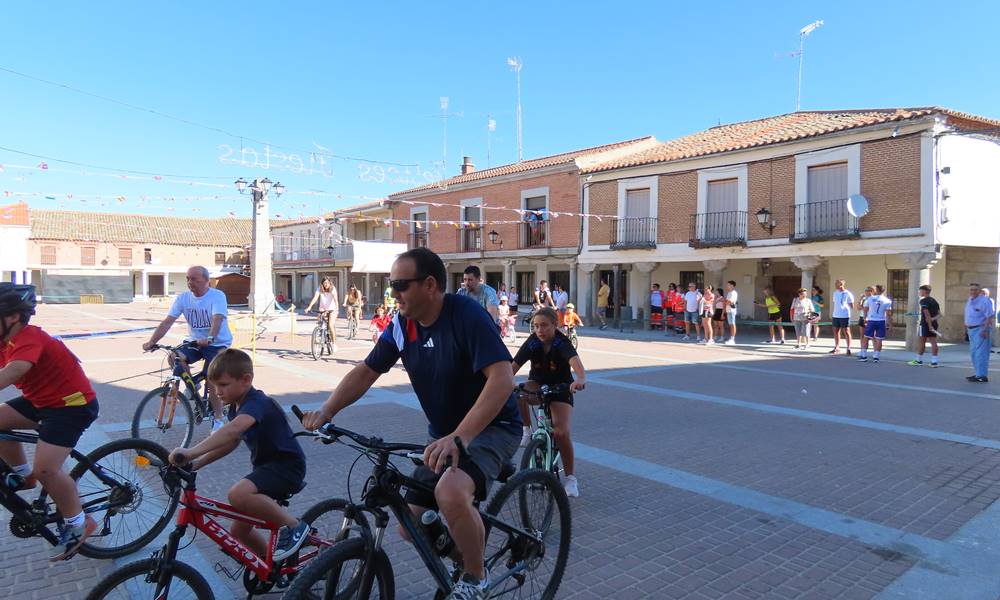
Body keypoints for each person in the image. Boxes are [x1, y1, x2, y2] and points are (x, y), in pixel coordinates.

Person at [301, 248, 520, 598]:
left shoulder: (466, 316)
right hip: (443, 435)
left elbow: (503, 378)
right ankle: (462, 557)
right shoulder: (403, 325)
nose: (393, 293)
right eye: (391, 285)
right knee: (410, 523)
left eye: (400, 285)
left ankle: (476, 579)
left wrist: (460, 438)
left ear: (430, 284)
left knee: (450, 493)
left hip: (492, 427)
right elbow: (367, 371)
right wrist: (328, 411)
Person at [168, 349, 309, 562]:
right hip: (266, 469)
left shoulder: (257, 403)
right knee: (239, 532)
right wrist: (197, 463)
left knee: (238, 495)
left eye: (223, 385)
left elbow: (232, 431)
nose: (217, 391)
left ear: (246, 380)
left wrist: (190, 452)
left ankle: (294, 526)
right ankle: (272, 567)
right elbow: (231, 442)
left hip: (286, 468)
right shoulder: (237, 407)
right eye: (214, 386)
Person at [0, 283, 100, 561]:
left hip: (72, 406)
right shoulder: (4, 339)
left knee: (46, 469)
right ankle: (22, 475)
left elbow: (14, 370)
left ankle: (80, 523)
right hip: (42, 402)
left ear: (12, 318)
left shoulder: (30, 338)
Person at [143, 266, 231, 434]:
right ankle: (193, 386)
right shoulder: (183, 298)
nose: (190, 282)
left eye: (194, 279)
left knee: (212, 379)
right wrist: (152, 341)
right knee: (174, 356)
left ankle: (218, 420)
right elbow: (168, 321)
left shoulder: (217, 296)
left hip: (217, 343)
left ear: (207, 281)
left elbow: (217, 318)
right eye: (188, 279)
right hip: (195, 342)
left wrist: (210, 338)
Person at [513, 307, 586, 498]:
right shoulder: (532, 342)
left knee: (561, 432)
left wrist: (579, 379)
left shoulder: (562, 342)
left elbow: (577, 364)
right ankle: (527, 430)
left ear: (555, 325)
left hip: (561, 388)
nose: (539, 330)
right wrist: (501, 382)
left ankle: (570, 479)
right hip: (537, 384)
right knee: (519, 392)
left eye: (544, 325)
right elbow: (512, 367)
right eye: (536, 326)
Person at [965, 282, 994, 382]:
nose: (972, 291)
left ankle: (982, 376)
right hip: (971, 330)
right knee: (974, 353)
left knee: (981, 353)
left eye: (975, 290)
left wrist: (985, 330)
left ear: (979, 291)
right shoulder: (970, 299)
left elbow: (989, 316)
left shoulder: (984, 301)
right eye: (971, 289)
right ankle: (978, 373)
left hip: (981, 329)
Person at [858, 284, 892, 363]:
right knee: (879, 339)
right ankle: (876, 357)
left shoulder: (870, 299)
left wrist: (865, 318)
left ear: (876, 290)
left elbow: (865, 309)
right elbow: (888, 313)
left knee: (866, 337)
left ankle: (863, 355)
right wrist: (889, 323)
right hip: (881, 321)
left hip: (872, 320)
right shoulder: (887, 300)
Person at [908, 285, 940, 367]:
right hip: (934, 323)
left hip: (925, 325)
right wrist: (932, 320)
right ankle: (934, 362)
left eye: (920, 291)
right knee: (933, 342)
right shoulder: (934, 301)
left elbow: (926, 314)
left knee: (922, 342)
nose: (919, 292)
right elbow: (940, 314)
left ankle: (919, 360)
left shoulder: (923, 301)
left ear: (925, 291)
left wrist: (929, 325)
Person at [304, 277, 339, 352]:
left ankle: (333, 343)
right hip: (322, 308)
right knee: (320, 320)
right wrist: (309, 307)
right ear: (322, 283)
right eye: (324, 283)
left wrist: (337, 309)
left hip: (332, 308)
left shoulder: (333, 289)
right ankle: (321, 332)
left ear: (330, 283)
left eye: (327, 283)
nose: (326, 284)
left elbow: (336, 300)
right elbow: (315, 298)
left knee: (330, 325)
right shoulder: (319, 288)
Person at [830, 279, 855, 356]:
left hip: (844, 315)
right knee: (836, 331)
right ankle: (837, 347)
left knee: (846, 331)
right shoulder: (835, 293)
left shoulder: (848, 293)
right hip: (836, 314)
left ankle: (848, 348)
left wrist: (845, 307)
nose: (835, 285)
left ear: (841, 284)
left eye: (837, 284)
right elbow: (835, 302)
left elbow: (852, 305)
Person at [724, 280, 739, 345]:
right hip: (728, 310)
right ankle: (731, 338)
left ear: (732, 286)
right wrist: (726, 302)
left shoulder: (733, 293)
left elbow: (730, 302)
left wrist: (725, 301)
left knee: (733, 324)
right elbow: (726, 302)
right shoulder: (729, 293)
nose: (727, 286)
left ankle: (733, 339)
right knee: (730, 324)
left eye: (728, 285)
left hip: (732, 310)